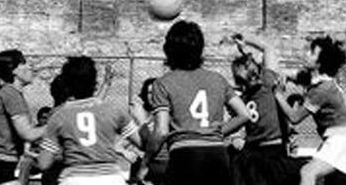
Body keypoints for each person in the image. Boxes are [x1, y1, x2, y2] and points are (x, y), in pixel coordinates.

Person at [150, 20, 252, 185]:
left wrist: (146, 161)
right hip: (217, 155)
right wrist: (215, 132)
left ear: (169, 50)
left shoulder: (163, 83)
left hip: (184, 154)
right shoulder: (218, 79)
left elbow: (161, 131)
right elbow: (244, 114)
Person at [275, 35, 346, 185]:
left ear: (320, 63)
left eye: (312, 53)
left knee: (307, 173)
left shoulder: (322, 90)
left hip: (342, 143)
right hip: (339, 141)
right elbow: (301, 77)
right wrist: (287, 76)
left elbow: (294, 118)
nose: (306, 54)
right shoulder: (320, 81)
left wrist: (278, 94)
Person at [38, 56, 140, 185]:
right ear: (95, 84)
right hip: (110, 179)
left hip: (75, 179)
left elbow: (44, 163)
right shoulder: (114, 110)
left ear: (67, 84)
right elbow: (141, 142)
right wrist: (142, 120)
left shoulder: (59, 116)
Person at [230, 33, 301, 185]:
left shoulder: (242, 98)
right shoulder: (268, 83)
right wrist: (247, 40)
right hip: (274, 151)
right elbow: (268, 48)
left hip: (253, 154)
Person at [0, 49, 44, 185]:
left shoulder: (11, 93)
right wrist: (58, 123)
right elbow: (28, 133)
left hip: (2, 166)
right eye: (24, 63)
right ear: (14, 70)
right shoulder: (10, 94)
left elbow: (13, 137)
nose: (30, 67)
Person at [128, 77, 168, 185]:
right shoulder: (141, 114)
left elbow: (152, 141)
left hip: (160, 164)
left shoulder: (165, 116)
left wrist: (142, 122)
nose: (153, 96)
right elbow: (122, 142)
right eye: (149, 93)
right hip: (145, 164)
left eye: (156, 93)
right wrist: (126, 152)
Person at [17, 107, 52, 185]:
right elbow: (26, 151)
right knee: (26, 161)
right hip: (35, 161)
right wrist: (38, 156)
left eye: (49, 118)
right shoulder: (33, 132)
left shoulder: (55, 132)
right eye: (44, 118)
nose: (46, 121)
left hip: (49, 161)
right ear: (38, 119)